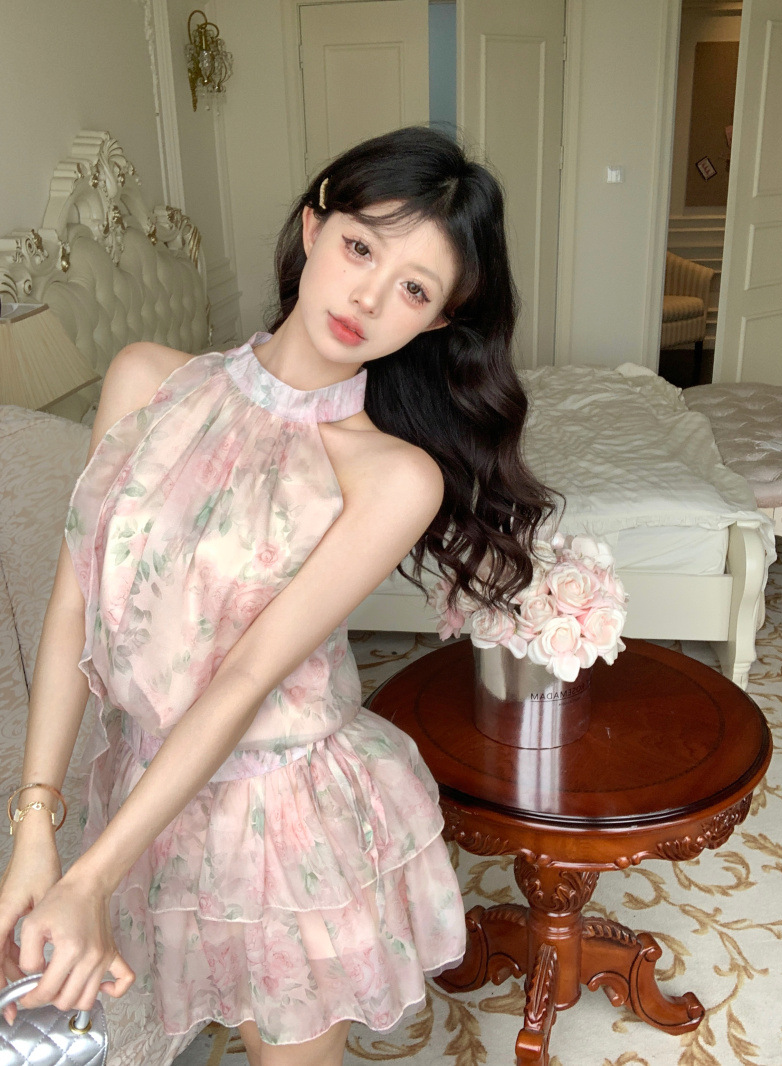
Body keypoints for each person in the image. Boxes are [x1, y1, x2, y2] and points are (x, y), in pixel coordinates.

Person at [0, 127, 556, 1066]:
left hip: (285, 819)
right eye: (361, 247)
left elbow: (248, 673)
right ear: (312, 226)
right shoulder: (144, 380)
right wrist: (37, 824)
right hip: (149, 794)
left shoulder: (393, 477)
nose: (368, 297)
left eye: (414, 290)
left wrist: (90, 877)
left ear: (436, 324)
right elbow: (73, 609)